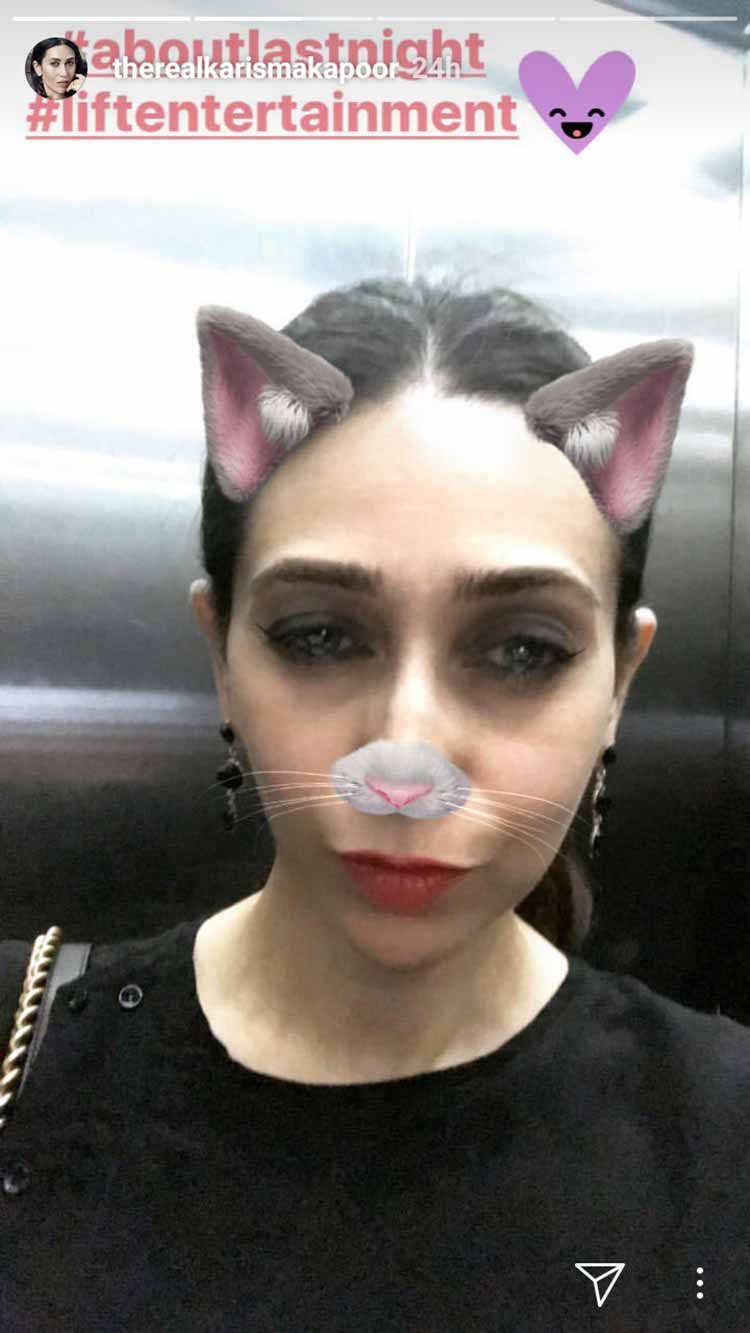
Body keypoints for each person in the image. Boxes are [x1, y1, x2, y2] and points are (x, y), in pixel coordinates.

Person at [1, 276, 749, 1331]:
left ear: (621, 682)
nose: (406, 764)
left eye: (523, 650)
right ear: (220, 654)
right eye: (319, 635)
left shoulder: (724, 1139)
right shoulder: (28, 1048)